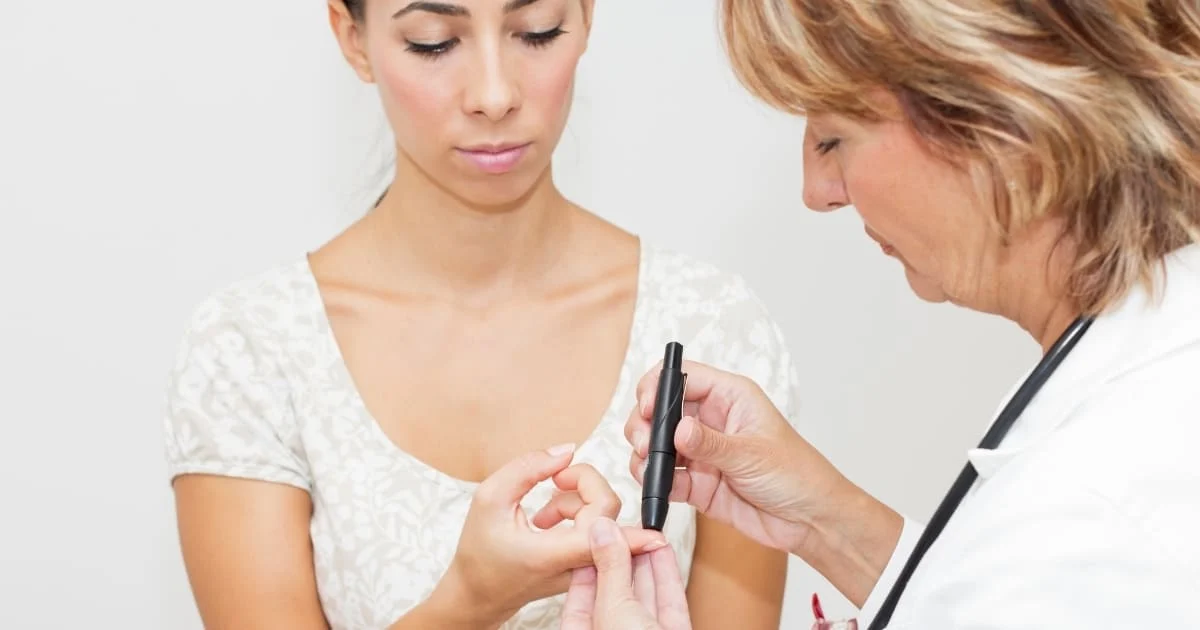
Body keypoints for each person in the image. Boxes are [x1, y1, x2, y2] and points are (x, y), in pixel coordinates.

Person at [161, 0, 801, 629]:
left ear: (585, 18)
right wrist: (470, 601)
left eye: (537, 31)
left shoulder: (711, 329)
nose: (494, 95)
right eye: (434, 42)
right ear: (353, 38)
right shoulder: (250, 351)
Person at [562, 0, 1200, 628]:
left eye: (833, 139)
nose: (817, 193)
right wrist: (826, 521)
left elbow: (1025, 583)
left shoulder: (1086, 523)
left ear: (1000, 114)